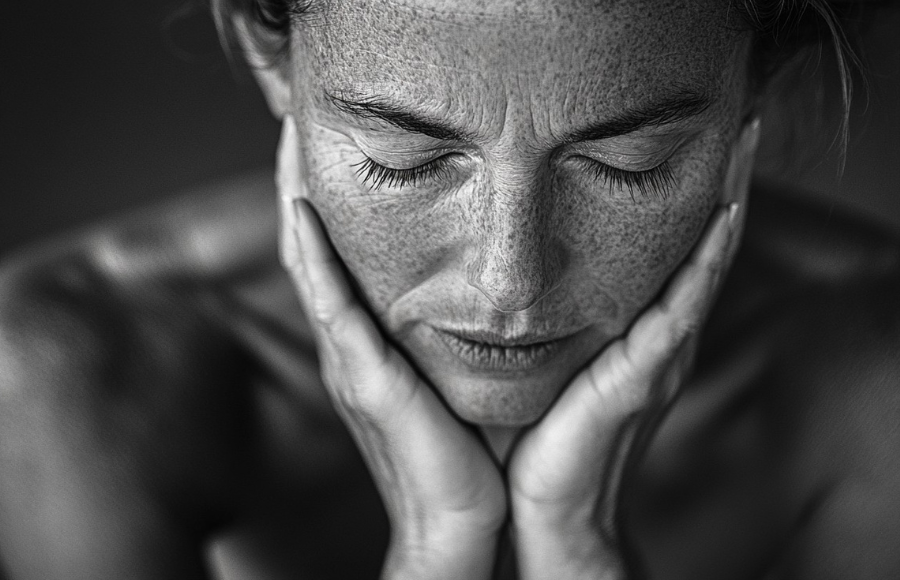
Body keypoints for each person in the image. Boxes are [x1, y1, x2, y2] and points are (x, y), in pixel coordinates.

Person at [1, 0, 898, 578]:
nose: (509, 281)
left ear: (756, 91)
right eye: (406, 159)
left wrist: (577, 554)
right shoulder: (75, 376)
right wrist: (439, 557)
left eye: (628, 164)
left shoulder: (871, 371)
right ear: (267, 54)